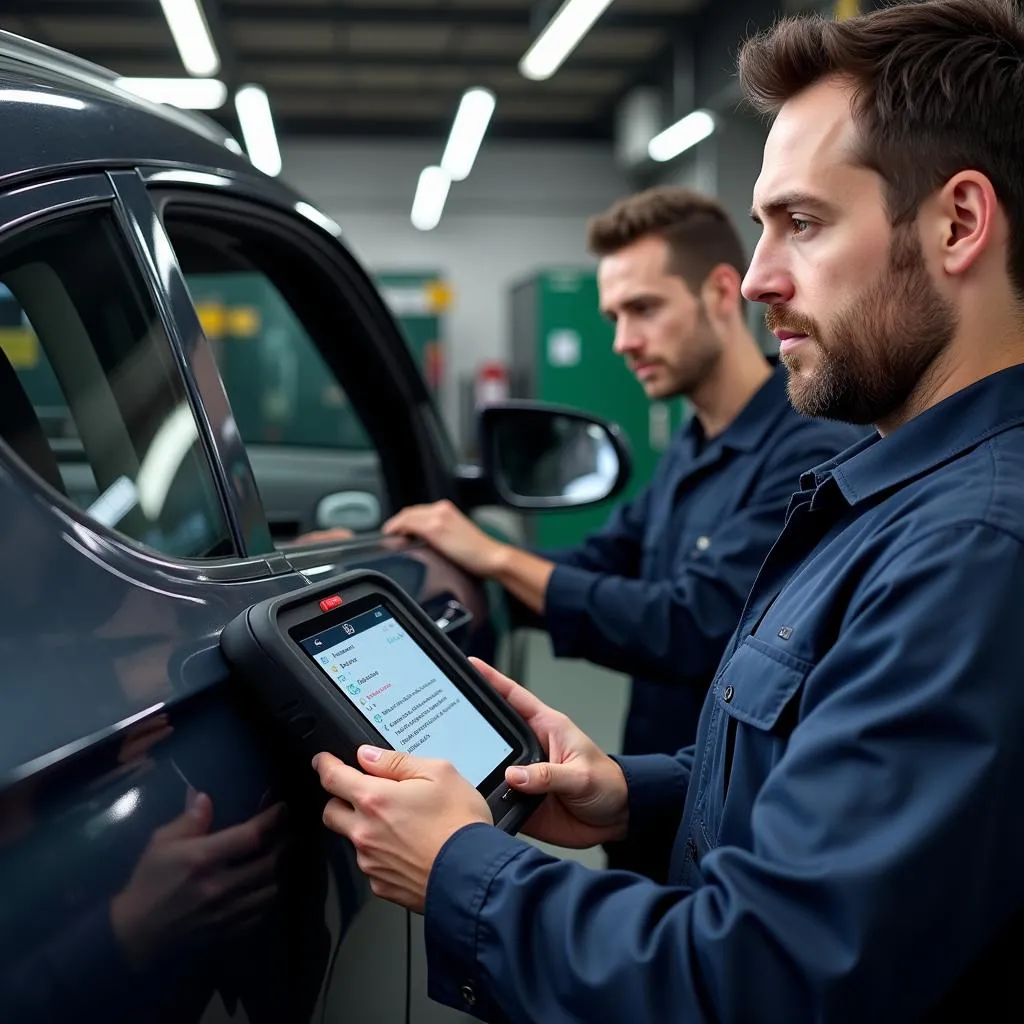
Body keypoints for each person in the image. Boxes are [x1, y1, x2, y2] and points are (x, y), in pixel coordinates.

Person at [310, 0, 1024, 1018]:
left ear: (957, 222)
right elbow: (813, 767)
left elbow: (762, 978)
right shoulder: (893, 493)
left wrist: (461, 866)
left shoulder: (969, 551)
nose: (763, 279)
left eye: (804, 222)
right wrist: (630, 790)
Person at [382, 188, 857, 766]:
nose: (623, 342)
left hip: (725, 812)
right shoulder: (696, 439)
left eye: (644, 309)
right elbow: (602, 558)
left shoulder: (809, 447)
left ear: (718, 292)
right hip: (654, 793)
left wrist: (498, 558)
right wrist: (410, 560)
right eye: (614, 317)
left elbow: (690, 625)